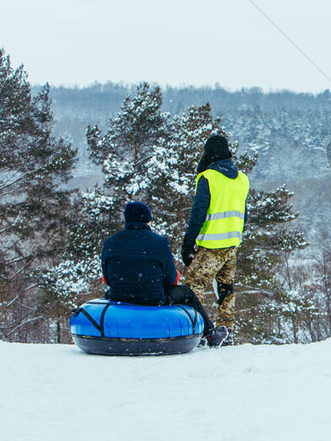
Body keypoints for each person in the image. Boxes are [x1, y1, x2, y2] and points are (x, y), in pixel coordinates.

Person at [101, 201, 229, 347]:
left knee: (109, 293)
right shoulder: (159, 242)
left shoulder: (110, 242)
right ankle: (211, 335)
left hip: (119, 297)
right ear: (147, 220)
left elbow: (108, 278)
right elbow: (170, 280)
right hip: (153, 299)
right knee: (186, 292)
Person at [181, 135, 250, 346]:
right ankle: (226, 331)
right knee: (226, 288)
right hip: (232, 243)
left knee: (194, 284)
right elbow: (244, 215)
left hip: (211, 244)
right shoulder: (242, 179)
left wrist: (188, 243)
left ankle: (200, 332)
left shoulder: (208, 178)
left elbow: (197, 214)